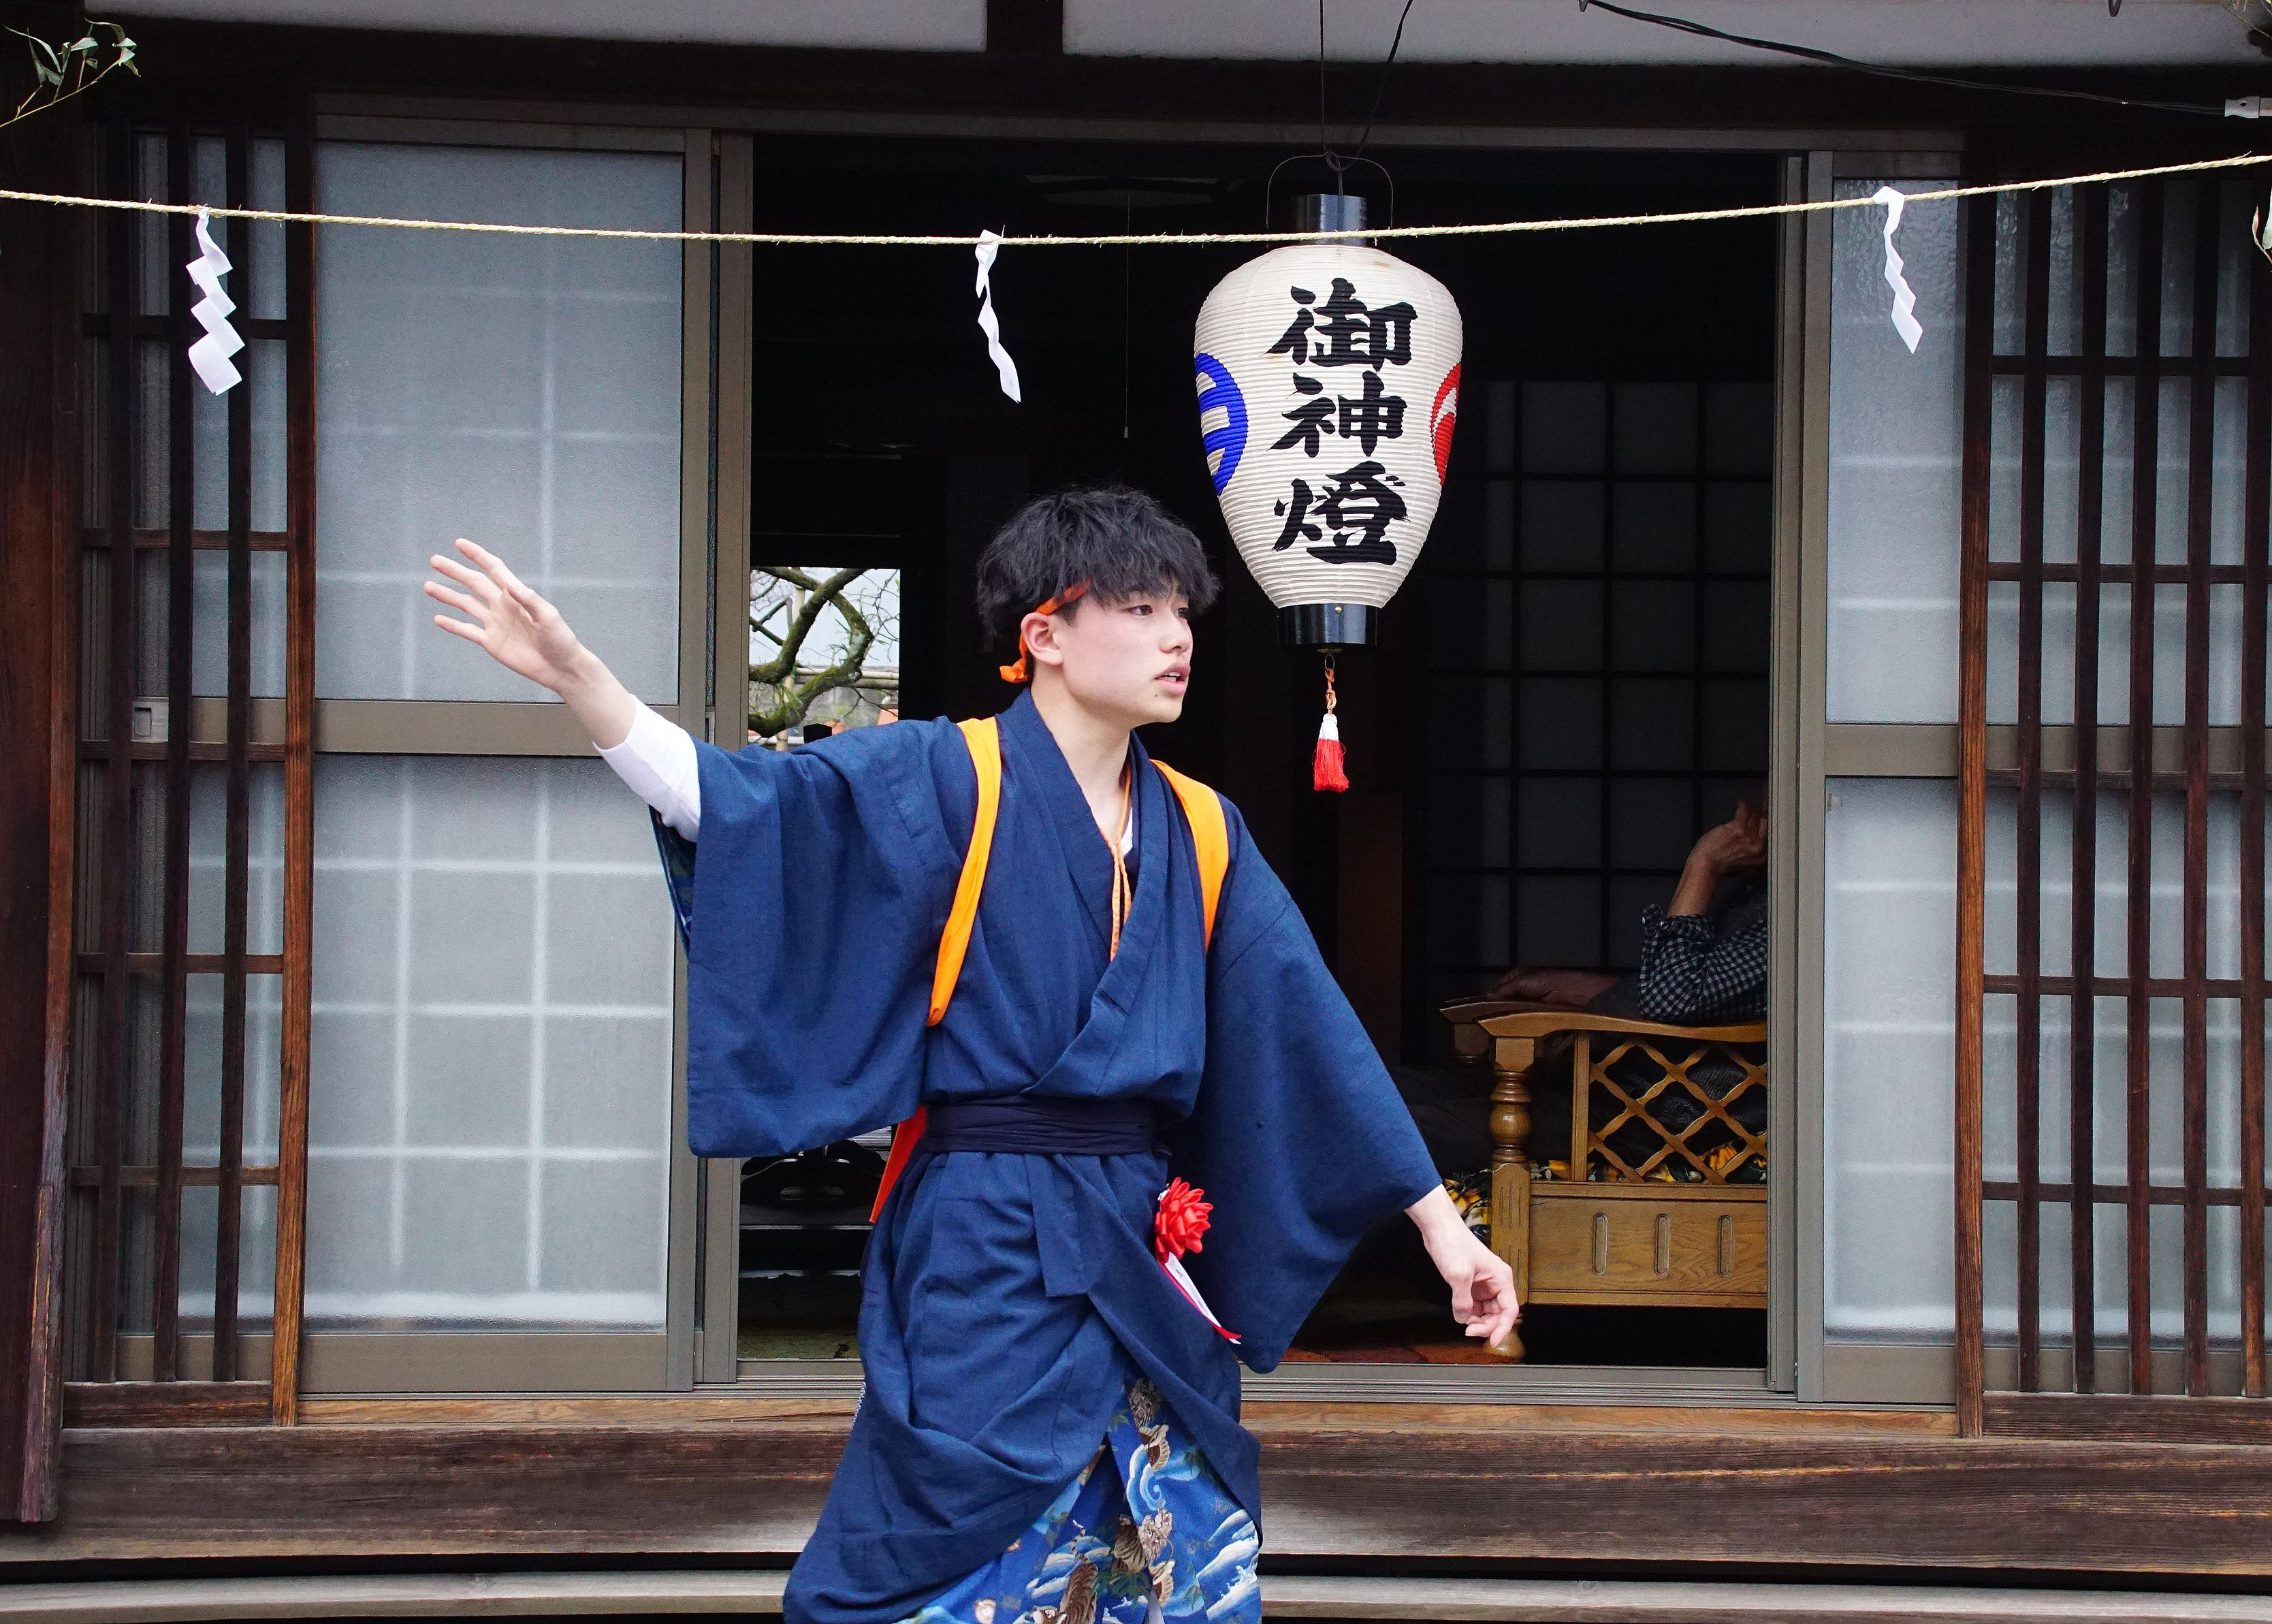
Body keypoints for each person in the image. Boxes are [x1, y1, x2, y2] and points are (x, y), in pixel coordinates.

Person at [423, 486, 1517, 1624]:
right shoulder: (944, 776)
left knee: (1181, 1549)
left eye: (1181, 610)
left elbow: (1309, 1035)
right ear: (1043, 634)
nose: (1177, 636)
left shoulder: (1202, 826)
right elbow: (734, 803)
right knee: (940, 1542)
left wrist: (1444, 1231)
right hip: (981, 1240)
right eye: (1139, 607)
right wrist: (578, 677)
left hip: (1142, 1241)